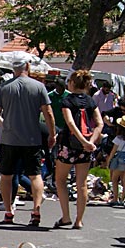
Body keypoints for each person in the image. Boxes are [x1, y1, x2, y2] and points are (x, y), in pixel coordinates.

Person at [0, 60, 57, 226]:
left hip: (9, 139)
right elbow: (48, 113)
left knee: (6, 176)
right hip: (32, 138)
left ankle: (8, 211)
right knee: (35, 175)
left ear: (13, 70)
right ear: (27, 68)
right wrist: (52, 134)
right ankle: (36, 209)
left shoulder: (4, 88)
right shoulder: (38, 87)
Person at [51, 69, 104, 229]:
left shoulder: (67, 101)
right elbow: (99, 123)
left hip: (69, 144)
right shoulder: (90, 101)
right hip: (86, 147)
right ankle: (79, 220)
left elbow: (70, 123)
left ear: (72, 83)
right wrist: (90, 142)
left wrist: (81, 140)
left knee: (60, 180)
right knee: (82, 184)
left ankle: (65, 216)